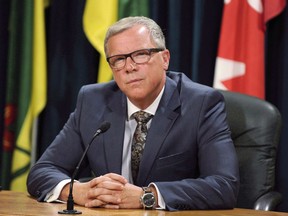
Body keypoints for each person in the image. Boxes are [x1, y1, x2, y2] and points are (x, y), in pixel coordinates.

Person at [27, 16, 239, 211]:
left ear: (165, 59)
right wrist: (77, 191)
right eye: (118, 59)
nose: (129, 67)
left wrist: (147, 196)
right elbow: (42, 171)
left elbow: (224, 185)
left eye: (140, 55)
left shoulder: (201, 104)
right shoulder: (93, 101)